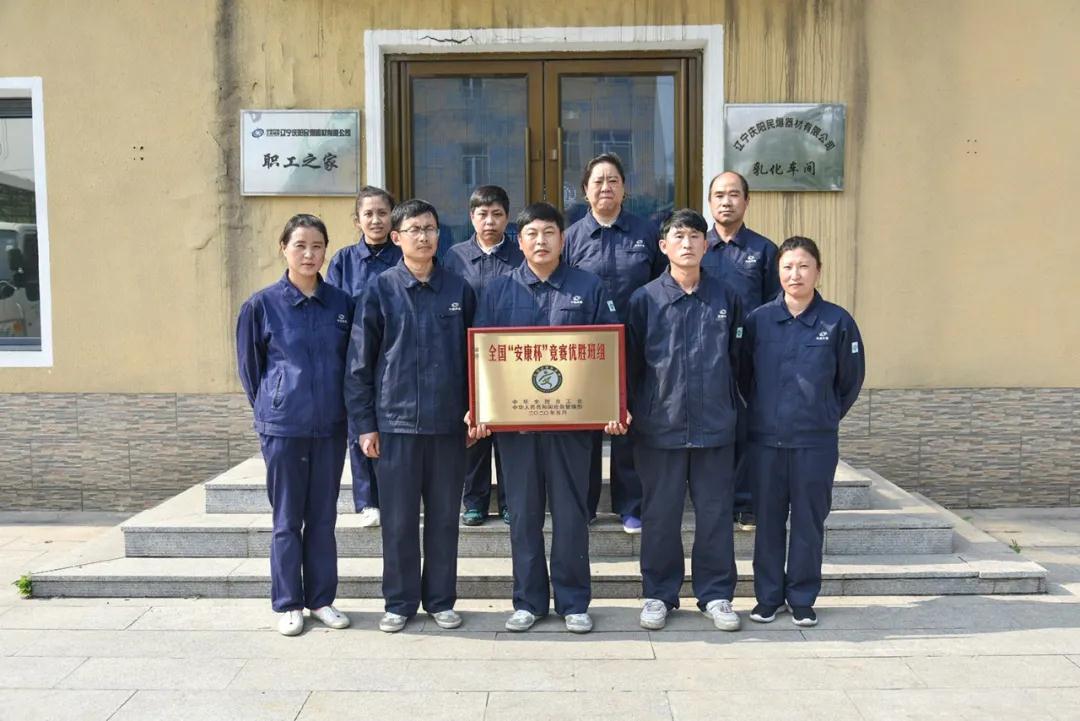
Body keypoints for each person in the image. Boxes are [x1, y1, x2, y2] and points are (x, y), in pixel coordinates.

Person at [469, 202, 622, 634]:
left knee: (572, 513)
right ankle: (529, 601)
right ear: (519, 242)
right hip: (516, 427)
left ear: (562, 239)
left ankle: (574, 602)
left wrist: (612, 405)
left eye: (549, 233)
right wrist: (479, 408)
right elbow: (481, 355)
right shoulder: (498, 290)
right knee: (522, 513)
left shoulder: (587, 286)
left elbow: (609, 351)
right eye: (532, 234)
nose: (541, 241)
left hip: (572, 424)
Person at [344, 199, 476, 633]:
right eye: (415, 230)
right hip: (395, 425)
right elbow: (359, 364)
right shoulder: (380, 290)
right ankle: (399, 602)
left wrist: (476, 413)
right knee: (398, 521)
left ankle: (440, 600)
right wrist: (365, 425)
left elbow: (477, 360)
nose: (424, 236)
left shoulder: (459, 290)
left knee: (444, 519)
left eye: (431, 229)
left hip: (447, 426)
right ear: (397, 237)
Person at [236, 213, 353, 637]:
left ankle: (321, 599)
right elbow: (251, 370)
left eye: (317, 246)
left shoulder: (341, 304)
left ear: (326, 252)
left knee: (322, 518)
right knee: (287, 519)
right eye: (300, 245)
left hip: (330, 427)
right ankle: (288, 603)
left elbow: (351, 364)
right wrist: (276, 404)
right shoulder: (262, 305)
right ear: (283, 248)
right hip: (284, 429)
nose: (309, 254)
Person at [738, 236, 865, 627]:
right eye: (788, 267)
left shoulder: (837, 322)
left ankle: (802, 597)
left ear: (818, 272)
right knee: (768, 522)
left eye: (804, 266)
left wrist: (824, 414)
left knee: (809, 522)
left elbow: (851, 380)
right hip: (766, 442)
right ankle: (768, 597)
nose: (796, 274)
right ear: (778, 272)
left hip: (815, 443)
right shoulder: (758, 321)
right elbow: (742, 376)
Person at [626, 208, 743, 632]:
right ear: (663, 246)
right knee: (660, 515)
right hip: (661, 426)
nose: (688, 243)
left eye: (695, 236)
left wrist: (730, 408)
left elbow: (740, 361)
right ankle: (659, 593)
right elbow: (631, 365)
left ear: (706, 245)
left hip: (715, 426)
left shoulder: (726, 298)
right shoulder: (644, 300)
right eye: (679, 236)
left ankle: (716, 594)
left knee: (715, 514)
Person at [563, 153, 665, 534]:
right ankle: (584, 503)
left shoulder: (645, 233)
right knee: (584, 423)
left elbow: (662, 284)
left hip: (636, 342)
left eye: (613, 181)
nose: (606, 187)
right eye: (598, 181)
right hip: (585, 347)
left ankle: (630, 505)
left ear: (624, 189)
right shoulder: (571, 238)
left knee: (629, 423)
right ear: (585, 191)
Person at [703, 171, 781, 531]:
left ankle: (745, 501)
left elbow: (775, 304)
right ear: (709, 202)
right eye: (719, 195)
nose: (726, 201)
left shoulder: (764, 251)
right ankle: (710, 498)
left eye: (734, 194)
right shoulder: (696, 246)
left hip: (750, 354)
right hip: (703, 354)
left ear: (747, 201)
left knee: (747, 427)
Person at [442, 185, 524, 527]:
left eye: (497, 214)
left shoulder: (520, 254)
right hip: (468, 357)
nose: (489, 221)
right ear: (471, 217)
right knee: (473, 427)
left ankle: (509, 500)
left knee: (508, 430)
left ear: (507, 217)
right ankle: (474, 500)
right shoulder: (454, 257)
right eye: (482, 214)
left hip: (512, 358)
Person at [325, 185, 403, 529]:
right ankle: (367, 500)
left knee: (392, 427)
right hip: (355, 354)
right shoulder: (343, 261)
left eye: (382, 213)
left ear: (392, 217)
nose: (376, 220)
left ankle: (395, 495)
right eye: (368, 214)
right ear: (357, 220)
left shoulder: (403, 255)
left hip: (395, 354)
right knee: (360, 425)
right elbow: (333, 307)